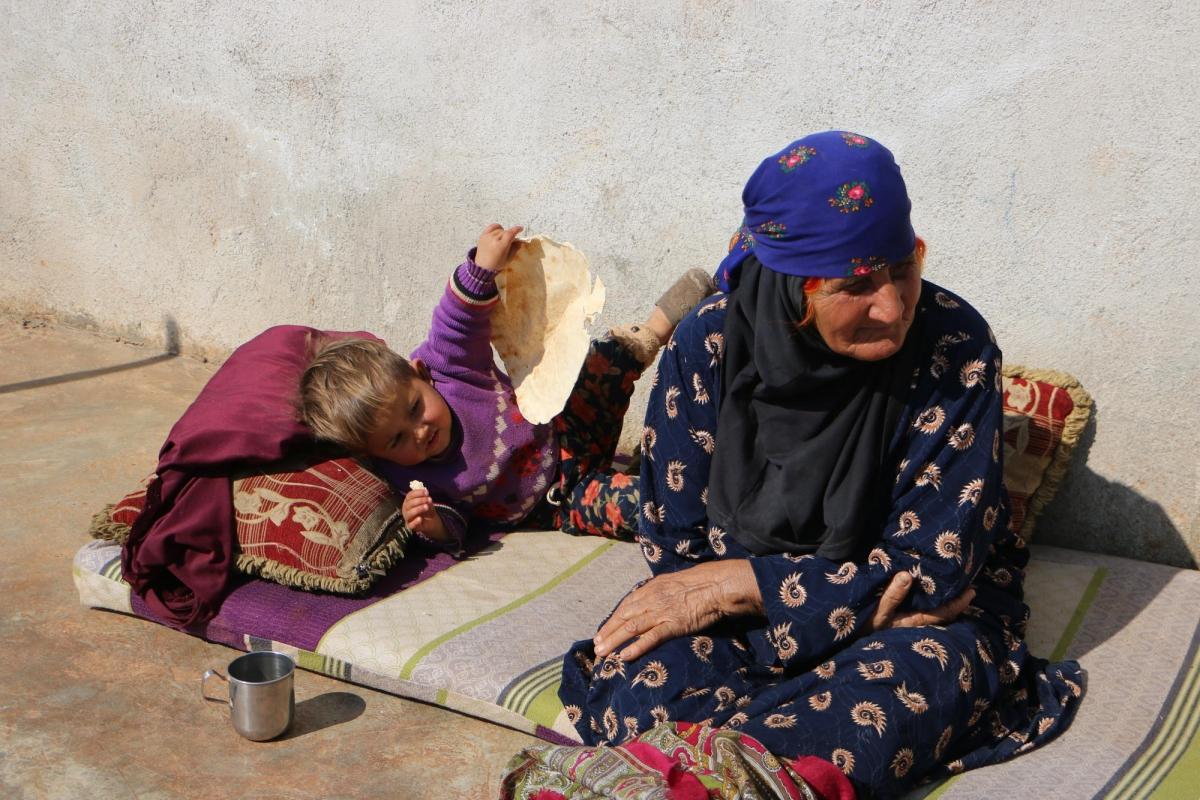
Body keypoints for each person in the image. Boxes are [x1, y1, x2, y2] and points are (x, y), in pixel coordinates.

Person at [558, 132, 1084, 797]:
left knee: (895, 696)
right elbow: (677, 552)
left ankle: (718, 772)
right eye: (856, 283)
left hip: (915, 630)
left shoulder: (955, 346)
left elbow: (933, 572)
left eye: (905, 265)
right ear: (792, 283)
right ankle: (732, 769)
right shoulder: (708, 346)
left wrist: (740, 584)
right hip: (746, 623)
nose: (892, 305)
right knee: (637, 676)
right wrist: (808, 601)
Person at [298, 224, 714, 553]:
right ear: (377, 453)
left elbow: (456, 320)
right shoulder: (410, 477)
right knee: (642, 509)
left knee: (602, 363)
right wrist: (432, 525)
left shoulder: (450, 368)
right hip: (563, 500)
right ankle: (697, 488)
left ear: (421, 374)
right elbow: (455, 523)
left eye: (413, 410)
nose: (419, 432)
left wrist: (482, 267)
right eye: (397, 439)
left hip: (567, 428)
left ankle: (657, 325)